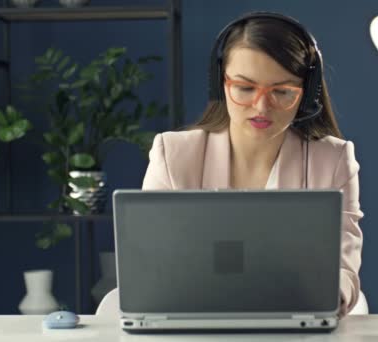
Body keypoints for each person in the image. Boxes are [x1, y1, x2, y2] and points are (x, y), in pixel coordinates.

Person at [142, 12, 363, 316]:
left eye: (282, 92)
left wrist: (328, 298)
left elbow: (345, 268)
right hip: (195, 321)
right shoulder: (173, 155)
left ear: (307, 94)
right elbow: (151, 265)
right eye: (245, 88)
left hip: (297, 324)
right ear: (221, 84)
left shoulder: (333, 159)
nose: (261, 106)